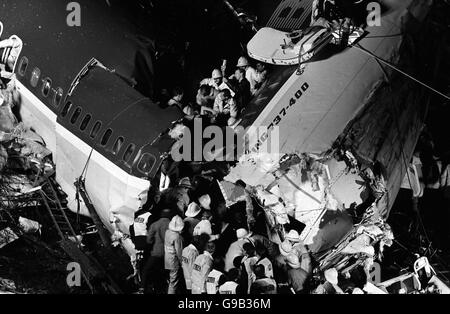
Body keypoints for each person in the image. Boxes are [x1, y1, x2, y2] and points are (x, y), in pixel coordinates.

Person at [142, 208, 172, 294]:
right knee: (166, 273)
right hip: (168, 254)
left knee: (146, 270)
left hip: (156, 253)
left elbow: (149, 240)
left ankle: (142, 288)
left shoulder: (155, 224)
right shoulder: (172, 225)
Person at [164, 215, 184, 294]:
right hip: (174, 262)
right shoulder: (177, 236)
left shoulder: (167, 232)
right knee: (173, 282)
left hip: (167, 260)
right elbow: (179, 251)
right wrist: (183, 263)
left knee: (171, 280)